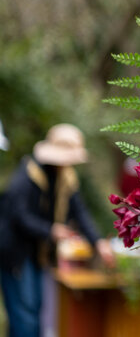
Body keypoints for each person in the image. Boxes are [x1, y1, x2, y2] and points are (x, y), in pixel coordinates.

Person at [0, 123, 114, 337]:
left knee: (34, 309)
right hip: (14, 253)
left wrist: (98, 243)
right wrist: (51, 230)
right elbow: (17, 216)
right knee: (25, 316)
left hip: (37, 254)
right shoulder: (27, 176)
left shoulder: (66, 179)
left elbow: (80, 213)